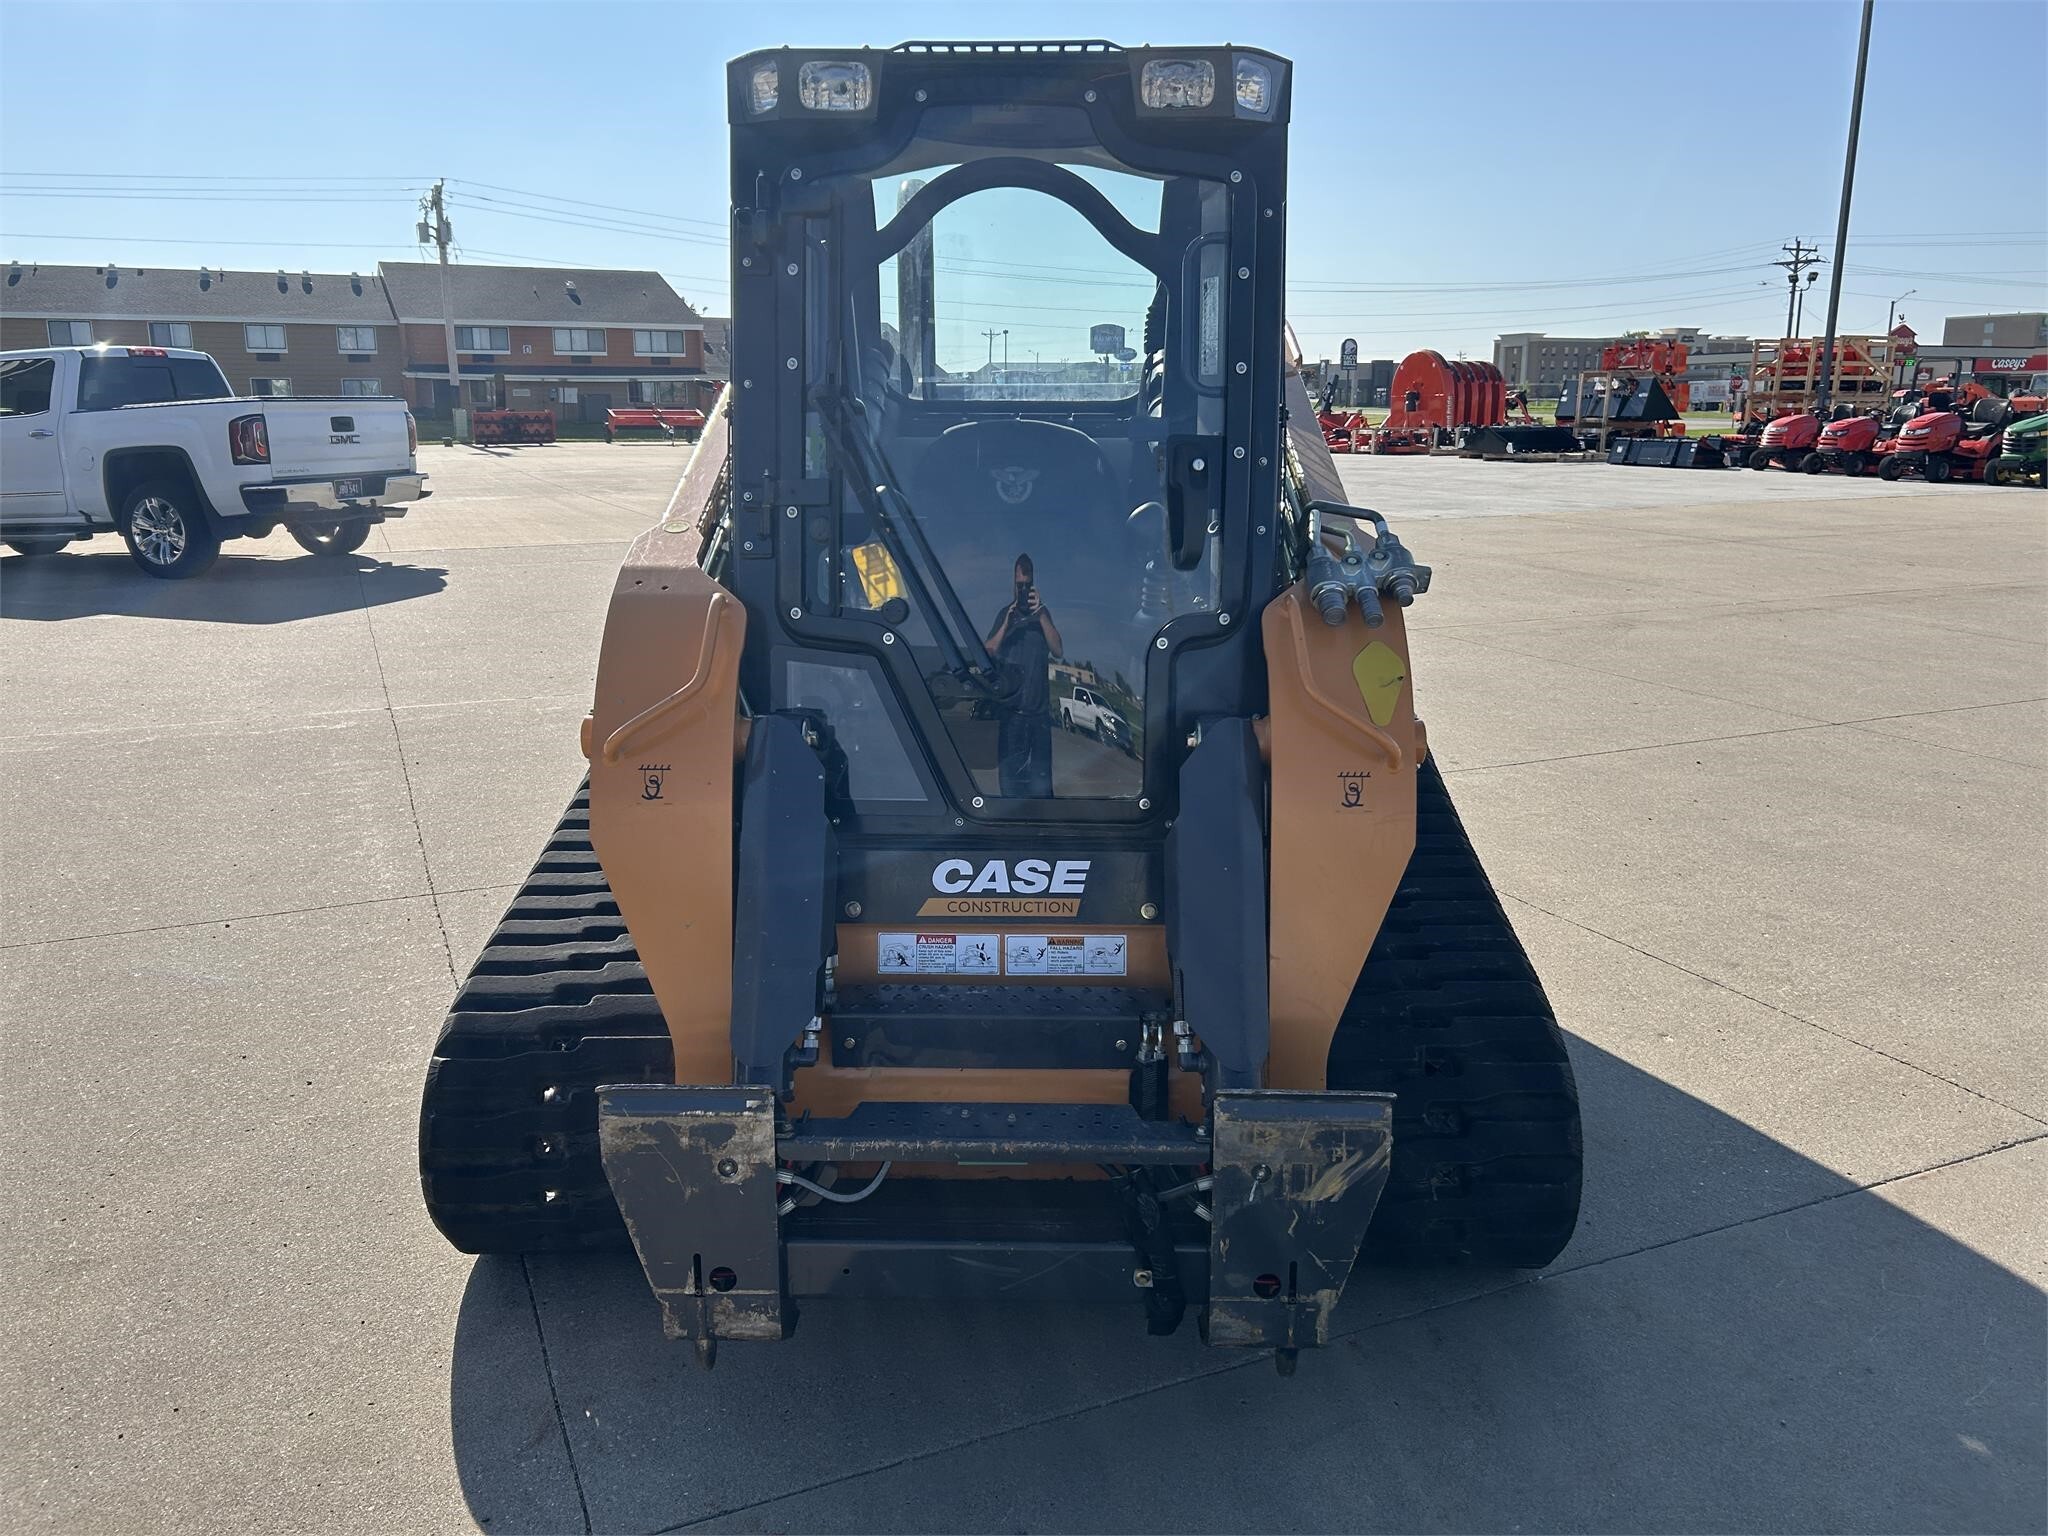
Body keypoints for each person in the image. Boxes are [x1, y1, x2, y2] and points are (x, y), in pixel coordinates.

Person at [985, 552, 1063, 798]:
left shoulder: (1042, 616)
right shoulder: (1004, 615)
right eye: (1019, 586)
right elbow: (988, 652)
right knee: (1010, 783)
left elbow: (1058, 650)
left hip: (1039, 716)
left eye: (1026, 585)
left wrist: (1040, 615)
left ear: (1033, 585)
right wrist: (1007, 624)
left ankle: (1043, 827)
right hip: (1012, 715)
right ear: (1013, 584)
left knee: (1042, 783)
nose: (1022, 590)